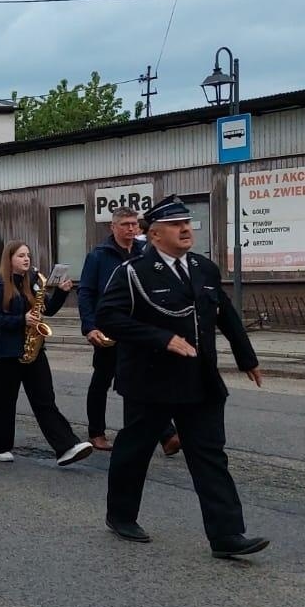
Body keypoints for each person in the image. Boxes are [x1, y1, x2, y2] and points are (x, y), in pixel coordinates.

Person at [97, 195, 268, 558]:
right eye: (176, 225)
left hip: (199, 378)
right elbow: (109, 318)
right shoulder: (132, 272)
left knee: (209, 455)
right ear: (155, 235)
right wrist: (162, 339)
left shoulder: (203, 268)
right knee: (135, 450)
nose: (186, 229)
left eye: (187, 223)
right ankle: (121, 515)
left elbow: (225, 315)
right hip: (150, 379)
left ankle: (227, 535)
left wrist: (246, 357)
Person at [79, 207, 181, 456]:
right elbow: (86, 292)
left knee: (143, 379)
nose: (131, 229)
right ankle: (96, 432)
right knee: (102, 380)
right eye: (124, 224)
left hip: (137, 330)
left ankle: (166, 435)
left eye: (134, 224)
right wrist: (90, 327)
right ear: (112, 227)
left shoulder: (144, 252)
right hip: (108, 329)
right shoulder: (99, 256)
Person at [0, 242, 93, 466]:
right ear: (9, 259)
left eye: (28, 255)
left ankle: (66, 446)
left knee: (45, 400)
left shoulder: (32, 283)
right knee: (4, 403)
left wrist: (62, 293)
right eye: (21, 256)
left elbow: (48, 309)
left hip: (34, 350)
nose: (27, 259)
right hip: (7, 354)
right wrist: (20, 320)